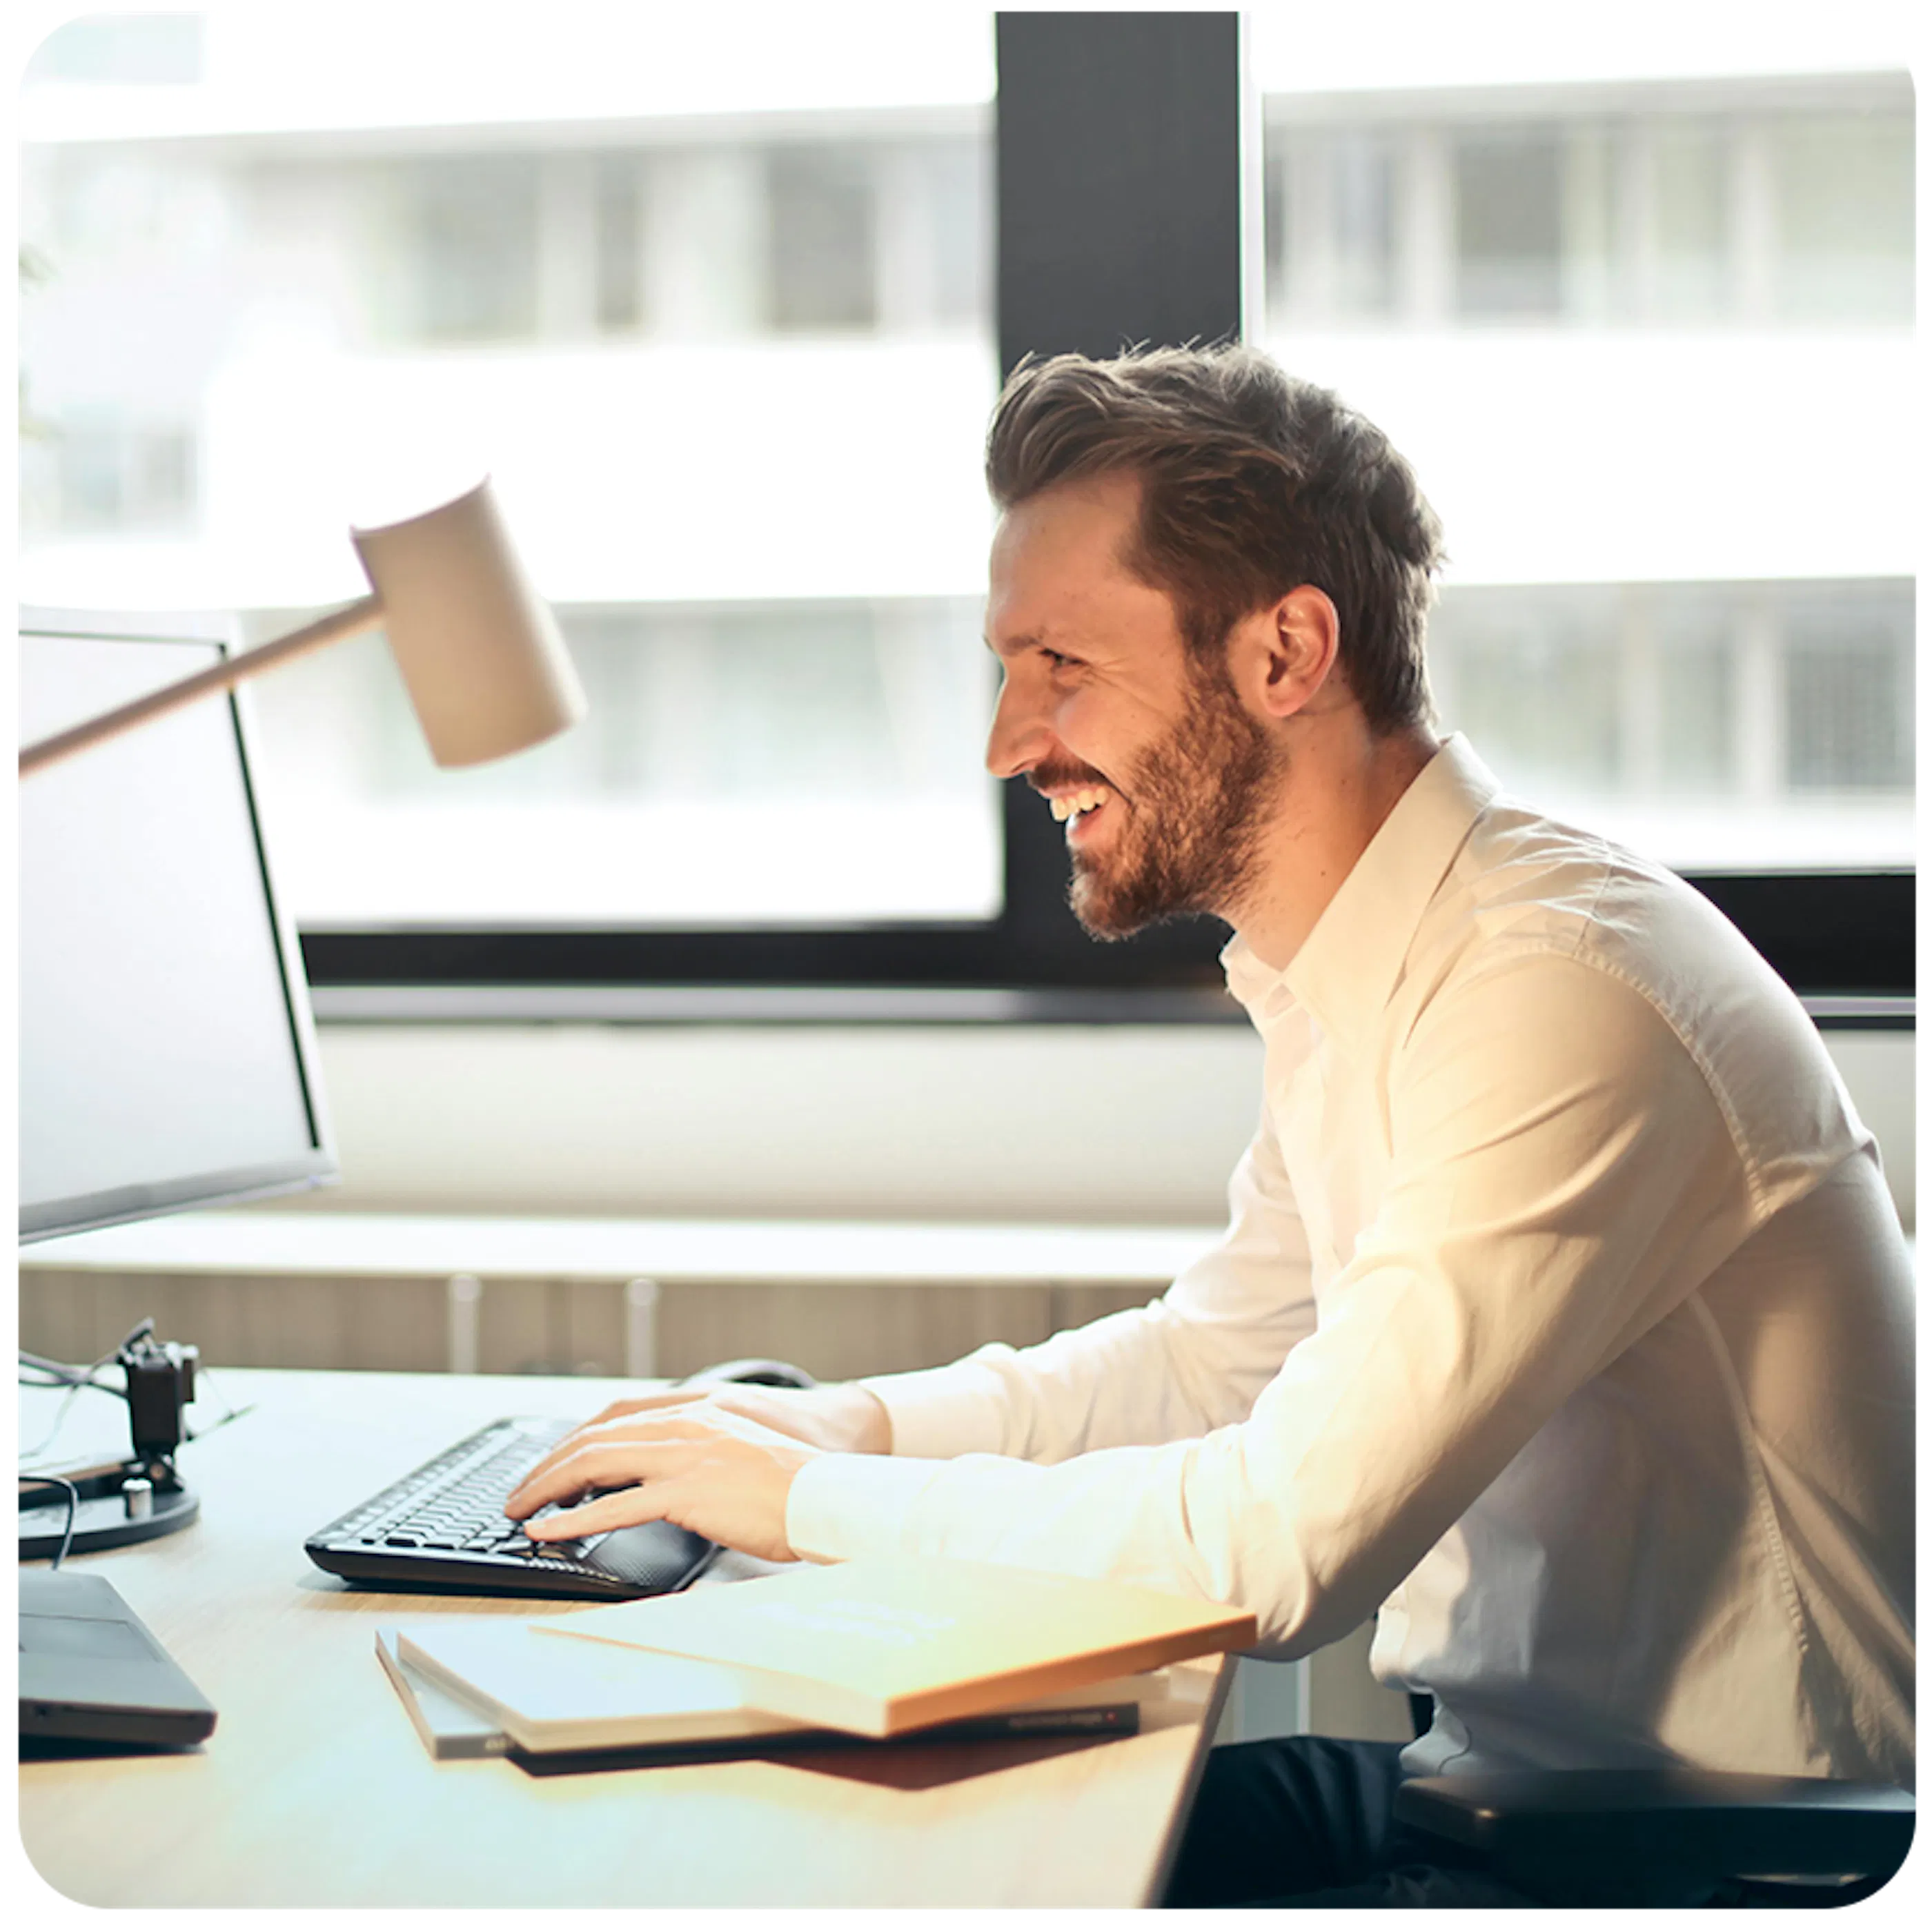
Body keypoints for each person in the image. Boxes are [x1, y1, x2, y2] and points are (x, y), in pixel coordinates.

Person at [504, 345, 1920, 1909]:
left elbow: (1278, 1546)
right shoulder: (1359, 966)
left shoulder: (1560, 991)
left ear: (1284, 652)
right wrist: (846, 1429)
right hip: (1503, 1795)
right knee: (882, 1849)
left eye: (1060, 663)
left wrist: (794, 1506)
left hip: (1730, 1858)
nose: (1006, 742)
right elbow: (1213, 1365)